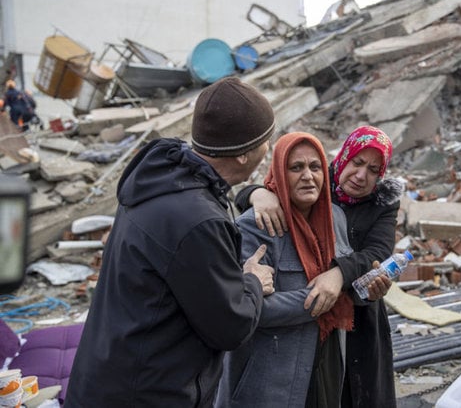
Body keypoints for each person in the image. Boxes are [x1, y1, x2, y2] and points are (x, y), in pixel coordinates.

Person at [65, 77, 277, 407]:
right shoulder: (198, 221)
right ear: (244, 154)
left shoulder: (160, 178)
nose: (268, 150)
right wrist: (252, 280)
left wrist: (256, 193)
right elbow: (230, 326)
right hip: (148, 395)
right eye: (266, 141)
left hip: (107, 378)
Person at [236, 125, 402, 408]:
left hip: (350, 324)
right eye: (357, 162)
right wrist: (256, 193)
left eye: (373, 170)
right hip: (287, 350)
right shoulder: (298, 196)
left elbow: (377, 252)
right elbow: (247, 304)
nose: (361, 176)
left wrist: (345, 282)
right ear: (342, 159)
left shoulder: (361, 208)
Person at [215, 132, 356, 408]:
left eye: (315, 167)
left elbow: (348, 280)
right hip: (273, 372)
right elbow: (251, 306)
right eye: (296, 168)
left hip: (326, 359)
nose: (308, 176)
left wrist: (365, 287)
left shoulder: (335, 218)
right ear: (279, 171)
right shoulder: (256, 225)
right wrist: (322, 298)